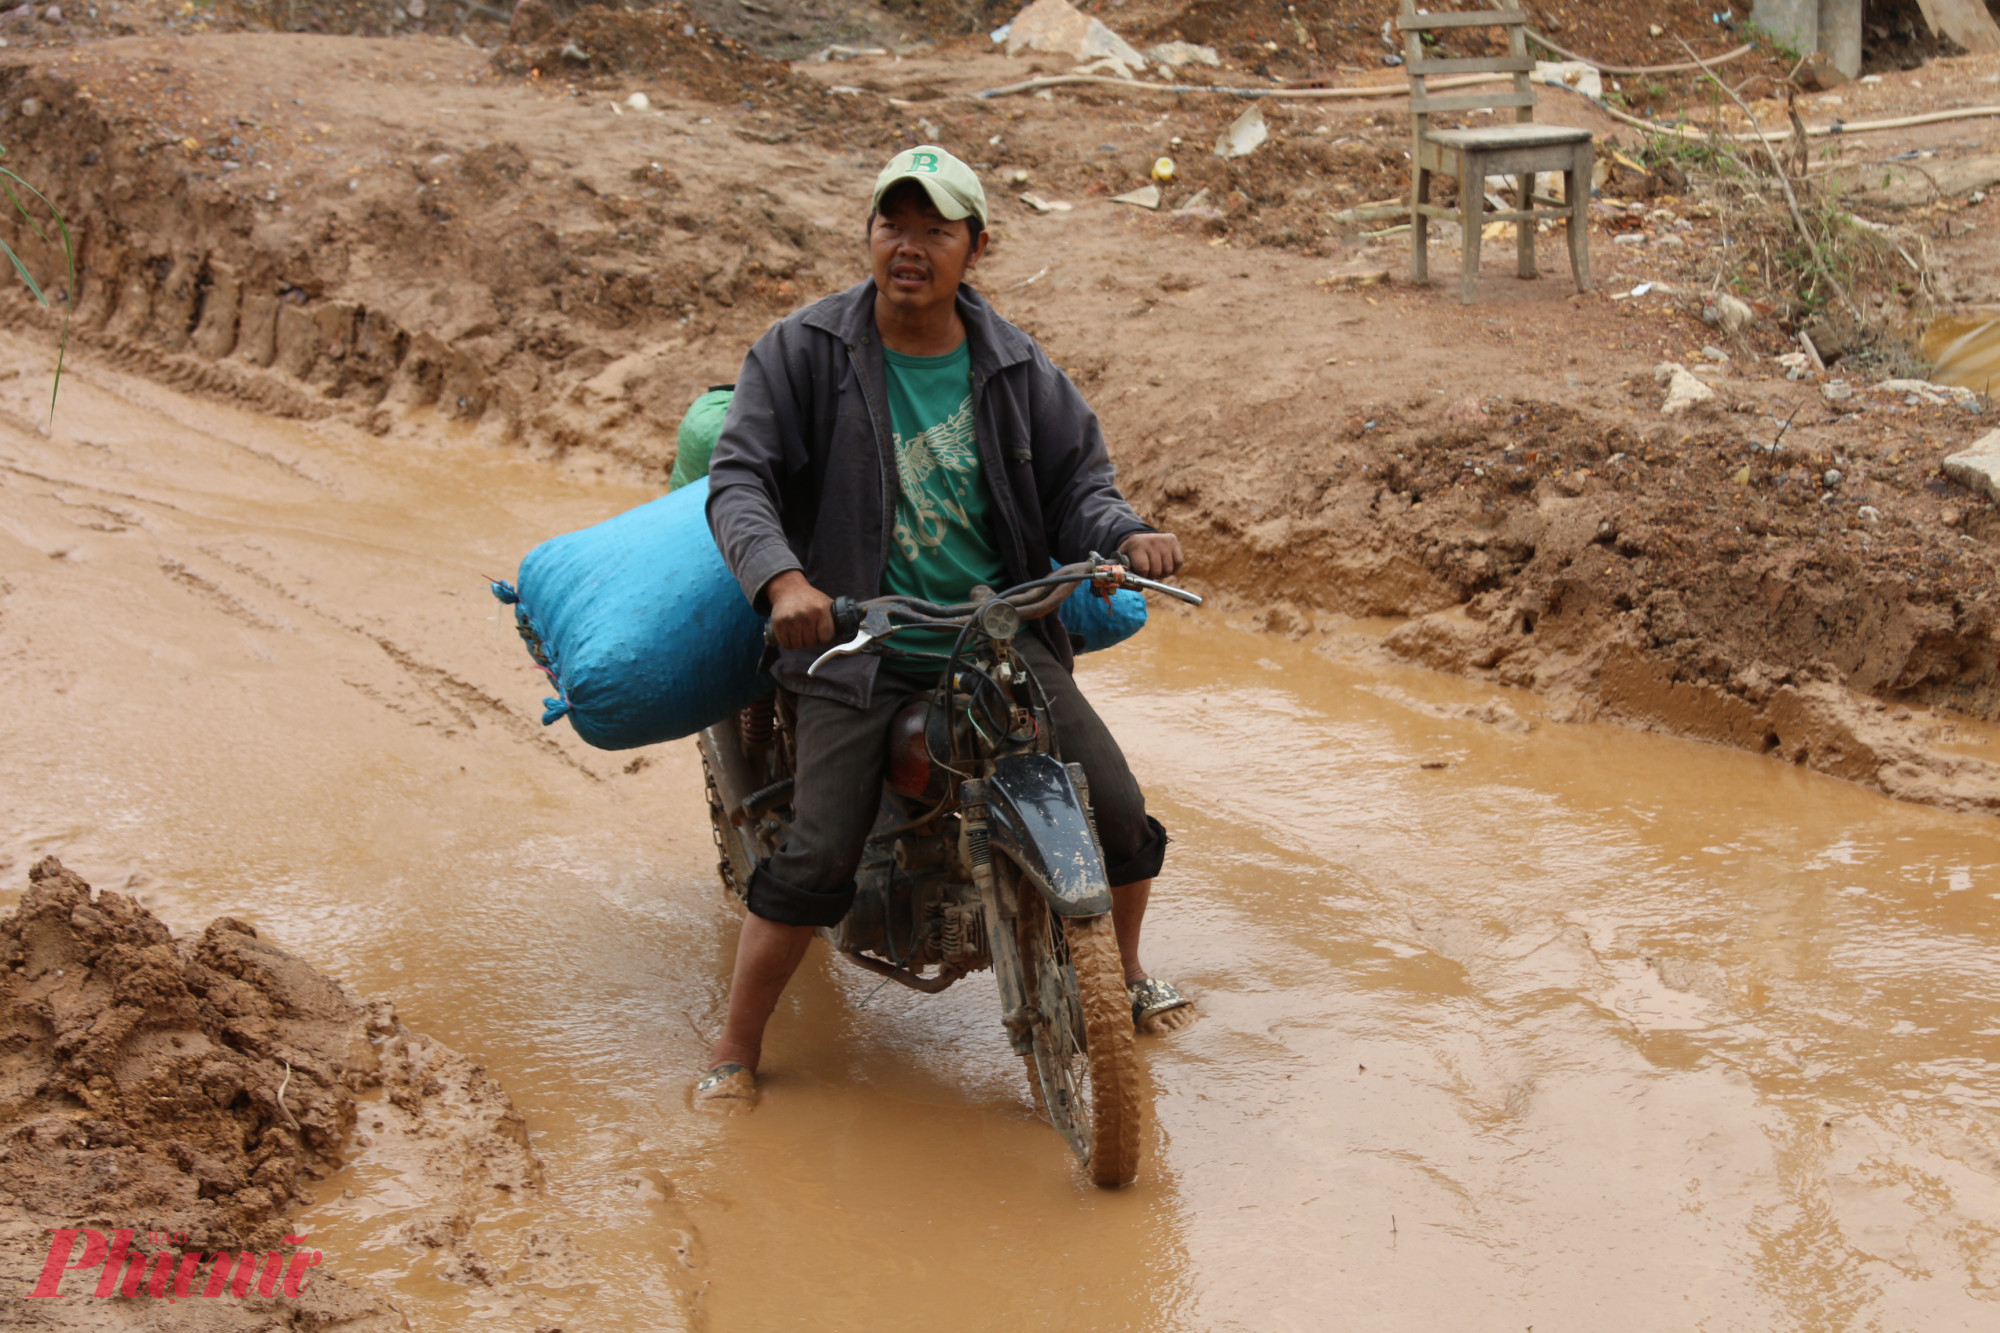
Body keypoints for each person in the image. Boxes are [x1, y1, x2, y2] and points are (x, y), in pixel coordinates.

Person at [698, 145, 1192, 1107]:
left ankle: (1122, 975)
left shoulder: (1015, 365)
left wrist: (1124, 532)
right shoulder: (803, 351)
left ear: (976, 246)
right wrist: (784, 582)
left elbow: (1079, 488)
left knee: (1122, 812)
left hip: (995, 641)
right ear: (870, 234)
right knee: (816, 855)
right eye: (895, 224)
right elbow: (740, 478)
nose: (911, 246)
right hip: (856, 648)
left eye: (936, 229)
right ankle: (734, 1047)